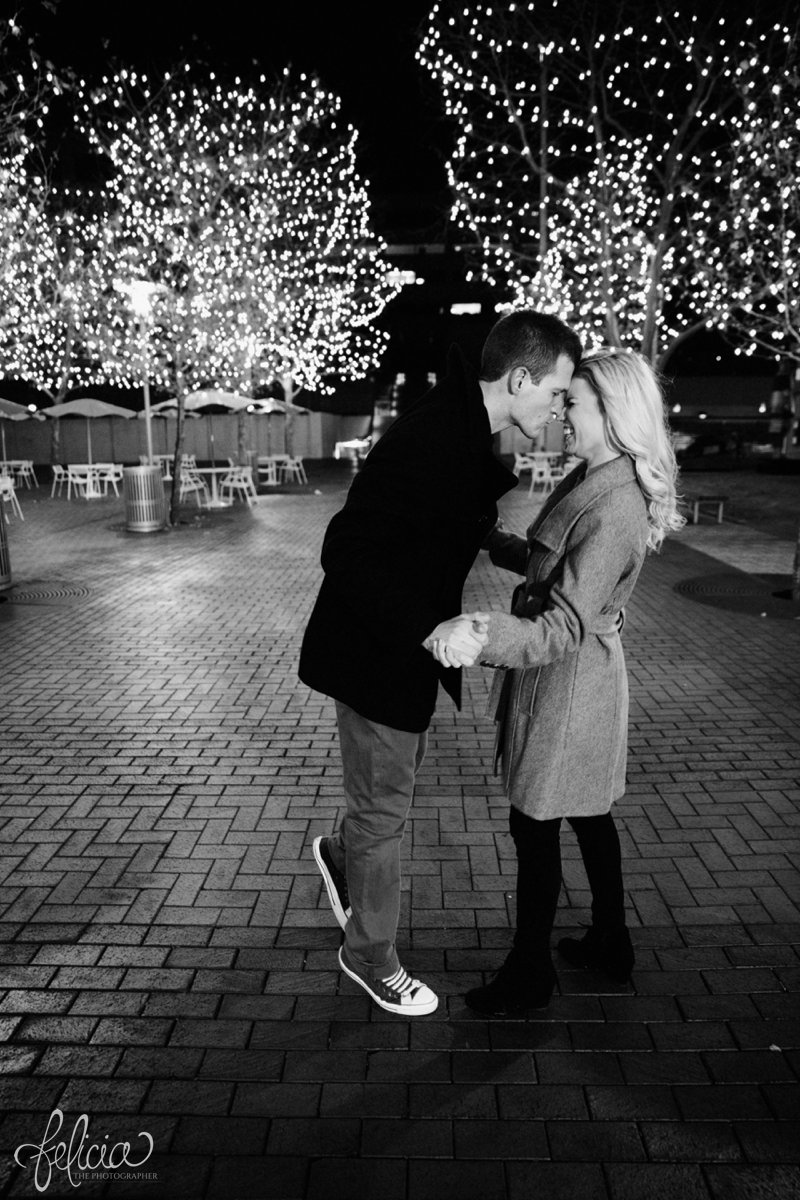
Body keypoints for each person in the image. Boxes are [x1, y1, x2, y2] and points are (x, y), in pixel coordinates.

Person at [299, 311, 583, 1016]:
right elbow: (347, 550)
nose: (557, 408)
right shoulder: (434, 437)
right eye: (555, 392)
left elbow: (444, 516)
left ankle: (342, 854)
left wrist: (521, 552)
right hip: (375, 651)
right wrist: (430, 626)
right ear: (519, 378)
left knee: (379, 805)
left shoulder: (462, 430)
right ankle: (370, 957)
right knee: (386, 809)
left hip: (394, 648)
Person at [430, 348, 684, 1016]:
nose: (561, 412)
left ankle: (529, 972)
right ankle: (610, 941)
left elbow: (564, 623)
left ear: (611, 409)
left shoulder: (618, 503)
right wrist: (494, 540)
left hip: (569, 683)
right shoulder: (595, 474)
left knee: (535, 821)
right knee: (589, 812)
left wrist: (480, 633)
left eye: (573, 402)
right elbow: (555, 568)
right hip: (574, 678)